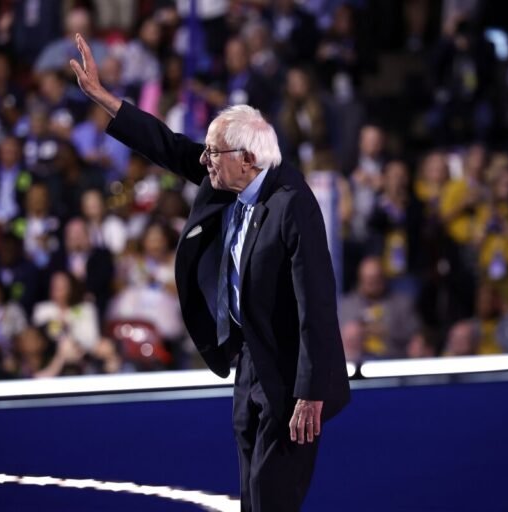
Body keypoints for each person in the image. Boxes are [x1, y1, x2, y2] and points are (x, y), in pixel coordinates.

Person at [71, 33, 349, 511]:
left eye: (213, 154)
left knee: (271, 502)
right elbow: (172, 147)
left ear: (248, 159)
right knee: (252, 501)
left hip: (289, 380)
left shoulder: (293, 205)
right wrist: (105, 100)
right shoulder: (227, 182)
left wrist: (311, 392)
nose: (204, 161)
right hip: (248, 368)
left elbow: (316, 303)